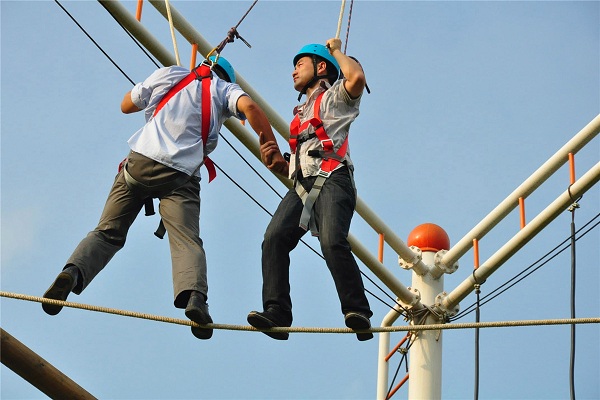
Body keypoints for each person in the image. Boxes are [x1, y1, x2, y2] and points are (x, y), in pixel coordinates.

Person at [42, 56, 278, 340]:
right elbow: (250, 107)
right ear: (225, 78)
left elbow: (126, 105)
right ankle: (195, 299)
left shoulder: (172, 75)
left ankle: (73, 272)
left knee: (107, 233)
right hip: (179, 178)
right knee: (185, 239)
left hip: (139, 164)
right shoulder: (224, 90)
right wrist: (269, 145)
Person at [247, 38, 373, 341]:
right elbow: (306, 156)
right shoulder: (301, 113)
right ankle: (277, 312)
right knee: (274, 238)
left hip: (334, 178)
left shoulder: (335, 98)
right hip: (303, 182)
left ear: (319, 68)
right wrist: (281, 163)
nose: (293, 71)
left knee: (332, 241)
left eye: (299, 65)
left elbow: (356, 78)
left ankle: (357, 310)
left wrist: (336, 51)